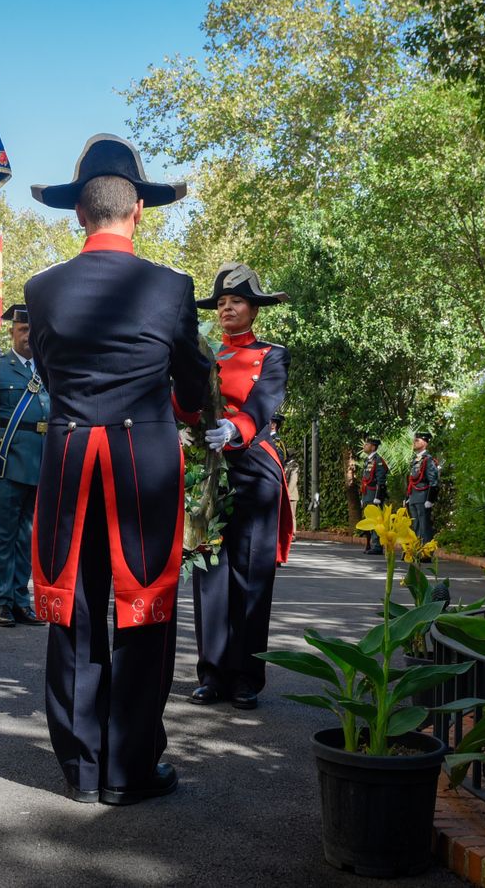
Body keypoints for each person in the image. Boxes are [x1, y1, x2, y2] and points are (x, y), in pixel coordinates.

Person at [26, 134, 209, 804]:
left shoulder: (40, 291)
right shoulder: (172, 286)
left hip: (71, 459)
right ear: (139, 212)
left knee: (74, 612)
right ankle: (129, 770)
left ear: (79, 214)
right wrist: (190, 409)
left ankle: (81, 769)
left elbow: (48, 371)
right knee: (145, 614)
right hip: (145, 467)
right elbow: (192, 381)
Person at [185, 263, 292, 710]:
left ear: (253, 309)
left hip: (252, 465)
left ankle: (246, 676)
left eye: (237, 302)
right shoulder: (202, 353)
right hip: (209, 470)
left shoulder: (273, 354)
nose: (227, 308)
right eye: (222, 303)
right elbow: (186, 398)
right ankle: (211, 673)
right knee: (209, 574)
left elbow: (265, 400)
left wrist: (236, 427)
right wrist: (185, 425)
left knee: (251, 574)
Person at [0, 302, 50, 627]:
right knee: (3, 534)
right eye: (23, 329)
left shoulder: (47, 369)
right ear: (13, 332)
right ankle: (0, 601)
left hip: (40, 461)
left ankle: (20, 599)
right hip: (8, 458)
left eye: (33, 330)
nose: (29, 336)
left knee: (27, 536)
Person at [407, 432, 439, 551]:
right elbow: (411, 480)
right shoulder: (416, 460)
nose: (414, 442)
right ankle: (417, 549)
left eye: (417, 440)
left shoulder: (428, 460)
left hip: (423, 496)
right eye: (414, 440)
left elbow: (433, 481)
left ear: (425, 443)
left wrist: (430, 499)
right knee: (416, 525)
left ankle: (426, 551)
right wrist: (408, 496)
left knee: (424, 525)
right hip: (414, 496)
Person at [359, 437, 389, 554]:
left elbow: (381, 481)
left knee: (376, 521)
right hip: (367, 494)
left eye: (367, 444)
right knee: (369, 521)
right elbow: (365, 480)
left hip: (374, 495)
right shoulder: (368, 460)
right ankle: (370, 544)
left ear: (373, 447)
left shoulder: (379, 461)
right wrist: (363, 498)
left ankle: (377, 545)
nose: (364, 446)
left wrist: (378, 496)